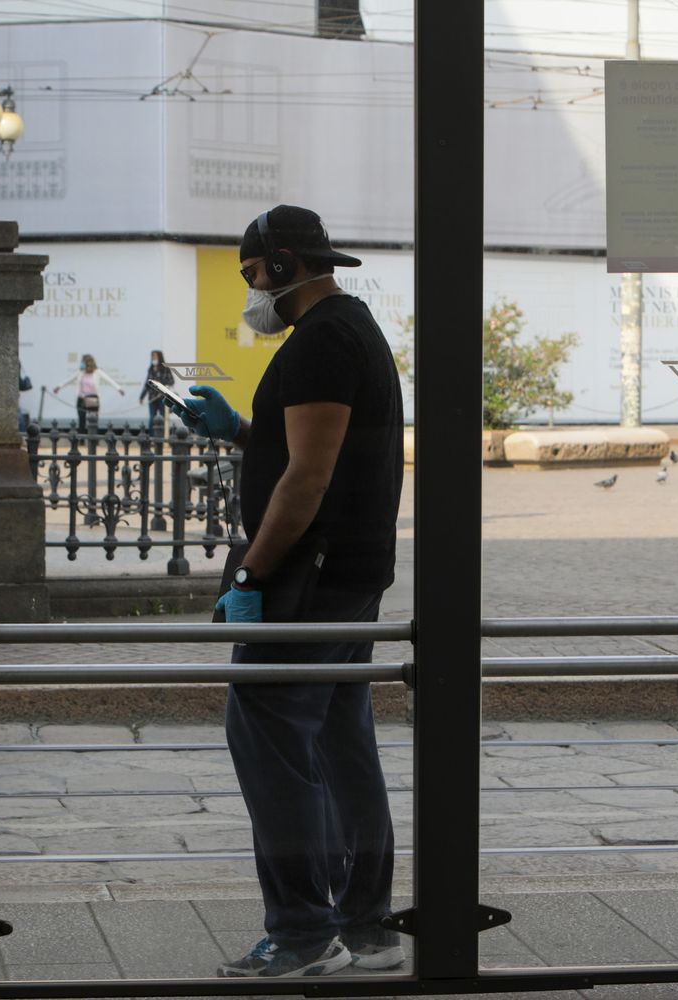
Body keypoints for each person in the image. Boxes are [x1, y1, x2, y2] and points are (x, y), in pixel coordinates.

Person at [182, 205, 404, 979]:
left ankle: (305, 934)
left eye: (251, 277)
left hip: (307, 579)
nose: (250, 295)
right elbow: (319, 450)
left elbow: (307, 479)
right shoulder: (355, 332)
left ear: (281, 266)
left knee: (268, 736)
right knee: (343, 743)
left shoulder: (319, 344)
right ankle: (368, 929)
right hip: (350, 573)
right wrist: (242, 432)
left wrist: (251, 573)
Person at [53, 353, 124, 431]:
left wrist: (119, 389)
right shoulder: (80, 372)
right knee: (81, 420)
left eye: (82, 362)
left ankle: (94, 440)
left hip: (92, 398)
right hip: (81, 398)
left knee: (93, 421)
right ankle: (81, 440)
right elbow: (69, 379)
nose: (81, 363)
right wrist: (59, 387)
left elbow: (109, 380)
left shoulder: (97, 372)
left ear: (88, 363)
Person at [138, 350, 176, 433]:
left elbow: (171, 381)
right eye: (152, 357)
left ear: (159, 357)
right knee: (152, 417)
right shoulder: (151, 369)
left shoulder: (165, 369)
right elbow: (147, 384)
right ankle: (152, 437)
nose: (153, 358)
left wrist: (162, 384)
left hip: (162, 397)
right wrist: (141, 397)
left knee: (163, 417)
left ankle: (163, 435)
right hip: (152, 397)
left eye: (155, 356)